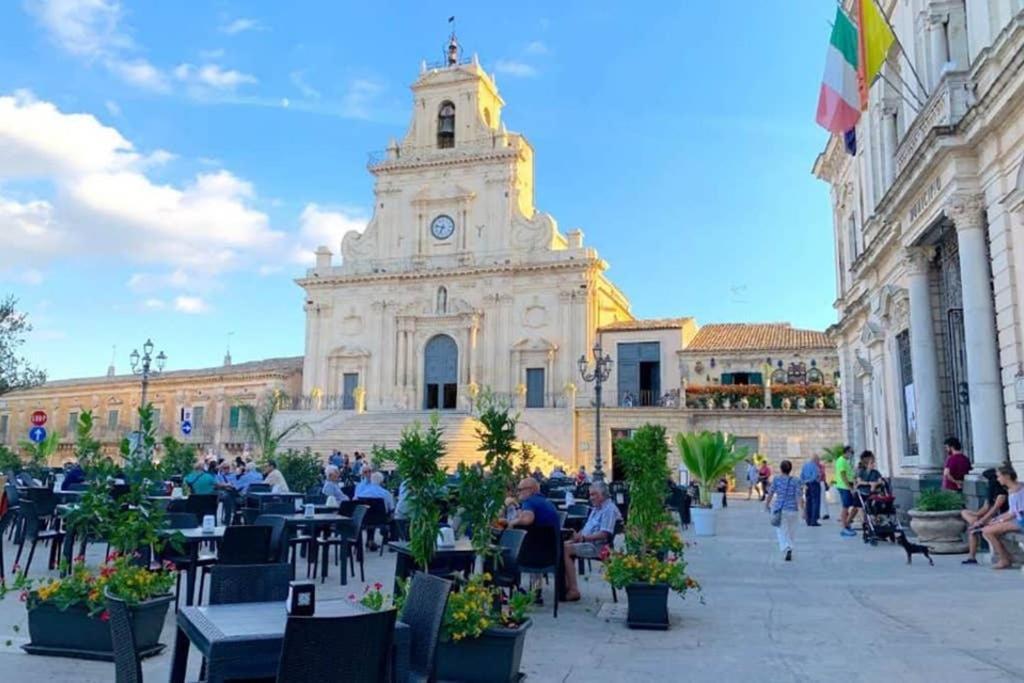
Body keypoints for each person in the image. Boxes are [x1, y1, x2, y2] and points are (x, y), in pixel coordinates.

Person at [564, 481, 621, 600]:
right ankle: (564, 586)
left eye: (594, 495)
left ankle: (573, 590)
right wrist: (576, 537)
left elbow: (605, 534)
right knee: (560, 545)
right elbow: (586, 529)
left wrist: (584, 538)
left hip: (598, 547)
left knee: (565, 550)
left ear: (604, 494)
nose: (591, 498)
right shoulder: (596, 508)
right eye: (590, 495)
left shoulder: (609, 509)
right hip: (587, 542)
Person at [509, 477, 561, 604]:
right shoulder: (547, 502)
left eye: (521, 489)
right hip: (551, 555)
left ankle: (509, 591)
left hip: (532, 557)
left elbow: (527, 519)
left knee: (505, 553)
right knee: (532, 544)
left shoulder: (530, 502)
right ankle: (536, 591)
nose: (518, 492)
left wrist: (512, 523)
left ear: (531, 490)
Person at [980, 466, 1023, 570]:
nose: (998, 479)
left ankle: (1004, 559)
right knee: (989, 528)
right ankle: (1006, 556)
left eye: (999, 476)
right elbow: (1011, 512)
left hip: (1021, 521)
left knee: (987, 531)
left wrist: (999, 520)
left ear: (1007, 476)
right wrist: (996, 519)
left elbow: (1014, 513)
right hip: (1018, 519)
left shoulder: (1016, 490)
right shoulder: (1013, 489)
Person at [962, 468, 1009, 564]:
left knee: (973, 529)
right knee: (967, 516)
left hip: (1002, 518)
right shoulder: (990, 493)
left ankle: (1003, 558)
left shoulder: (1001, 494)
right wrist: (975, 515)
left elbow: (993, 510)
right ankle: (972, 558)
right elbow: (985, 508)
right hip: (993, 518)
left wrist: (981, 521)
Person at [764, 459, 803, 562]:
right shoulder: (796, 481)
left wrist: (767, 504)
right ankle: (789, 547)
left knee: (781, 531)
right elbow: (798, 496)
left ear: (781, 469)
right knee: (791, 532)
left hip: (780, 509)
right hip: (793, 510)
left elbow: (771, 493)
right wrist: (802, 510)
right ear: (790, 469)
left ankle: (787, 547)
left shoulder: (777, 480)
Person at [834, 446, 857, 537]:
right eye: (851, 453)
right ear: (847, 452)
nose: (852, 455)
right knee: (845, 506)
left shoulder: (845, 461)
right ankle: (844, 527)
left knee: (852, 506)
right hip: (844, 487)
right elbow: (843, 475)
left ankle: (847, 524)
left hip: (847, 486)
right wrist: (849, 487)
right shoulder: (841, 461)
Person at [799, 454, 822, 526]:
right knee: (815, 502)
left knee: (808, 502)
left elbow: (801, 476)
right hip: (814, 484)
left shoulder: (805, 465)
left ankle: (808, 520)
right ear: (815, 460)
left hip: (807, 485)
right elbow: (815, 476)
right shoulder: (815, 466)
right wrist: (812, 480)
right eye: (818, 460)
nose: (818, 462)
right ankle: (814, 520)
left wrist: (804, 483)